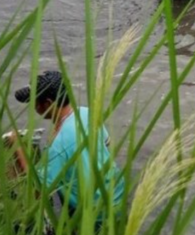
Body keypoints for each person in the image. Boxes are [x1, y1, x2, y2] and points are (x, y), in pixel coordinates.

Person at [9, 70, 125, 224]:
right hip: (117, 194)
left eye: (35, 102)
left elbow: (39, 188)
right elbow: (106, 143)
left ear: (48, 103)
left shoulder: (59, 144)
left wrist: (17, 146)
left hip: (94, 212)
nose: (34, 107)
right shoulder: (86, 112)